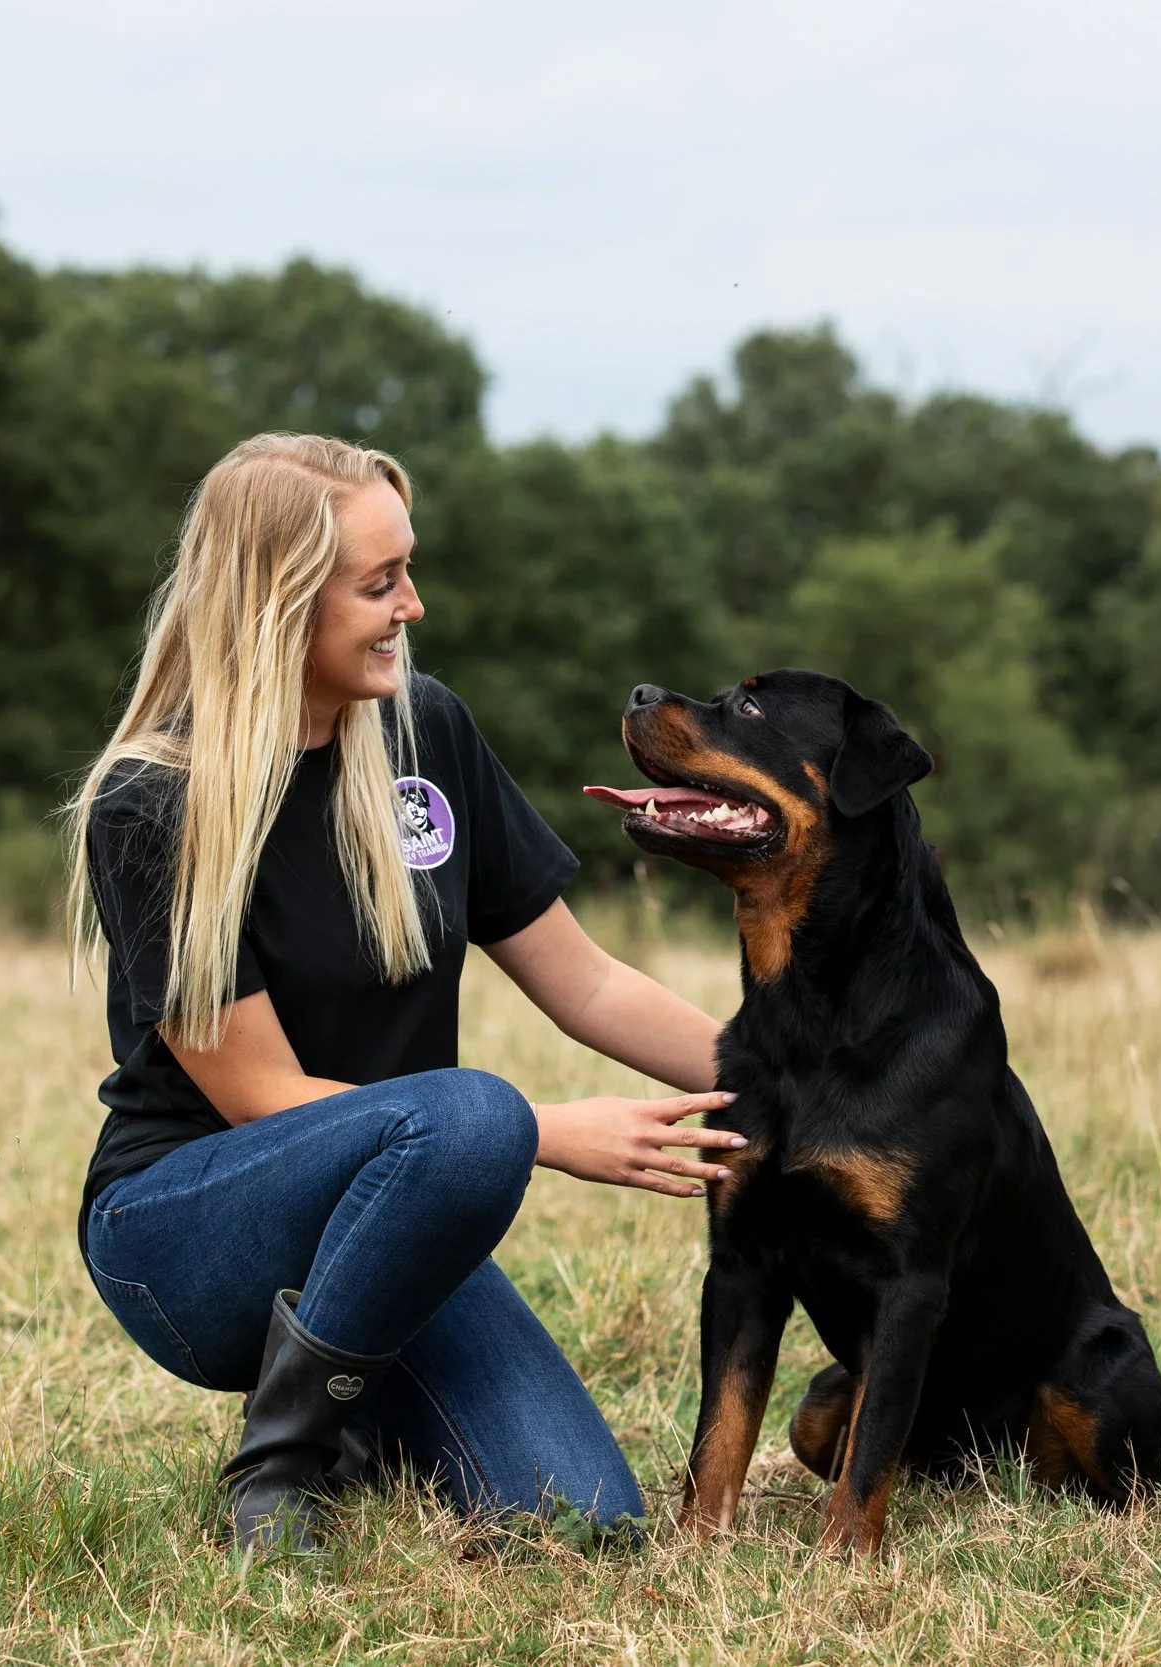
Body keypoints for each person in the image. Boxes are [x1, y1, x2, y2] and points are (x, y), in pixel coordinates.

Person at [66, 432, 738, 1551]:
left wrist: (802, 1079)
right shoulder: (152, 802)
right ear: (280, 600)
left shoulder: (429, 729)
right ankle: (282, 1466)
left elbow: (587, 982)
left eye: (407, 570)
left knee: (578, 1520)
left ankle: (358, 1396)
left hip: (402, 1216)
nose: (411, 606)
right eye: (380, 583)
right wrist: (542, 1129)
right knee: (471, 1108)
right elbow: (261, 1094)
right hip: (189, 1228)